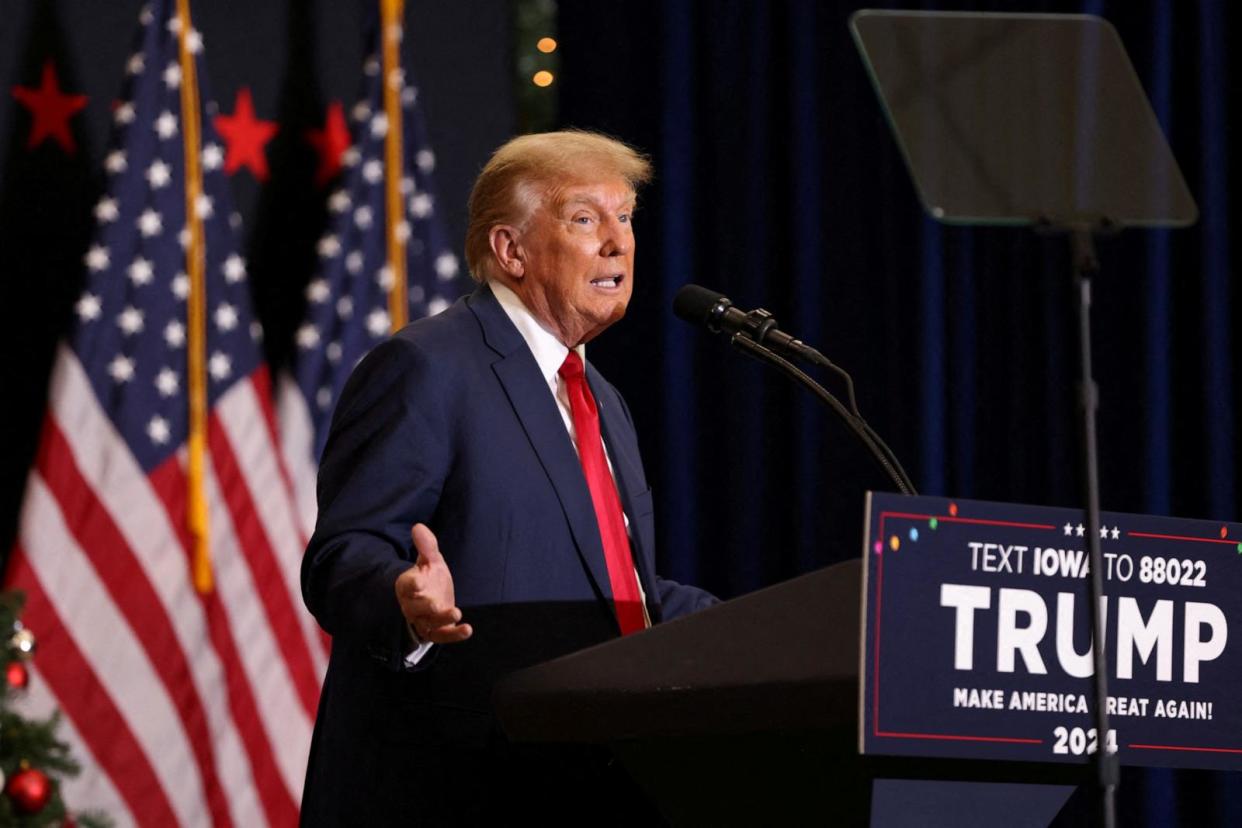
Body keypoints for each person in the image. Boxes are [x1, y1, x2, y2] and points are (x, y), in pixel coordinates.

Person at [299, 130, 717, 825]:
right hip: (454, 785)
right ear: (510, 250)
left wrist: (774, 627)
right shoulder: (428, 367)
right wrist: (404, 599)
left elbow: (621, 590)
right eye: (586, 218)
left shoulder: (600, 398)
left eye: (626, 217)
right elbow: (342, 556)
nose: (619, 241)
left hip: (581, 779)